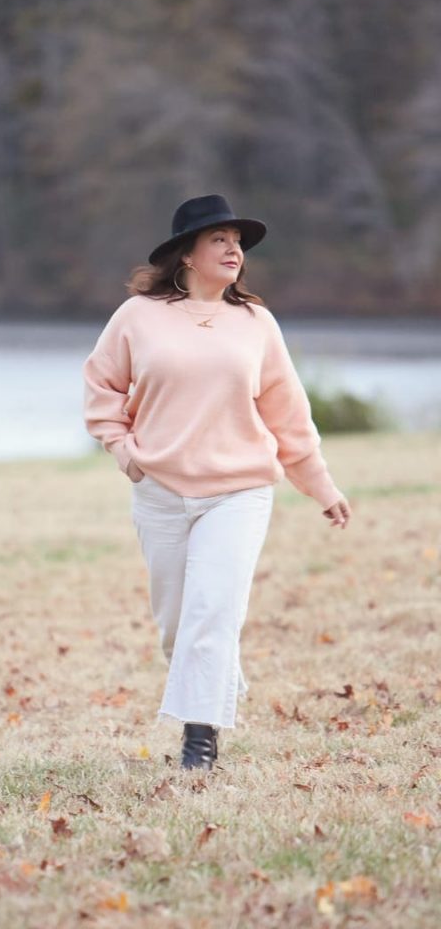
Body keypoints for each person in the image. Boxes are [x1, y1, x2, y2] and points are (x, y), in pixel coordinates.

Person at [82, 194, 352, 772]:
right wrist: (124, 450)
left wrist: (321, 485)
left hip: (239, 491)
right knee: (180, 627)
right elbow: (101, 386)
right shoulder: (137, 317)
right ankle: (215, 680)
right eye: (219, 240)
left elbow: (288, 414)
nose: (234, 250)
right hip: (160, 492)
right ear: (186, 254)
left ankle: (198, 743)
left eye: (238, 242)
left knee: (213, 610)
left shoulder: (256, 323)